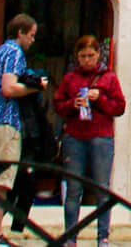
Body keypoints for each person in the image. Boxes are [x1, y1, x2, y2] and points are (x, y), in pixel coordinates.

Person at [0, 13, 47, 246]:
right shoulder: (14, 53)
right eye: (31, 35)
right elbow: (8, 89)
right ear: (20, 32)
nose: (32, 41)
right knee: (1, 183)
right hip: (5, 123)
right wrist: (35, 88)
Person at [54, 36, 126, 247]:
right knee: (73, 188)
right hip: (75, 137)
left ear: (98, 55)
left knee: (102, 189)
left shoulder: (109, 78)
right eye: (83, 56)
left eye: (91, 56)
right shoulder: (69, 79)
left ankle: (103, 236)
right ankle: (70, 236)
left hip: (101, 137)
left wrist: (100, 99)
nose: (87, 60)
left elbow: (120, 107)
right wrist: (71, 104)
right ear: (77, 57)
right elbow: (58, 105)